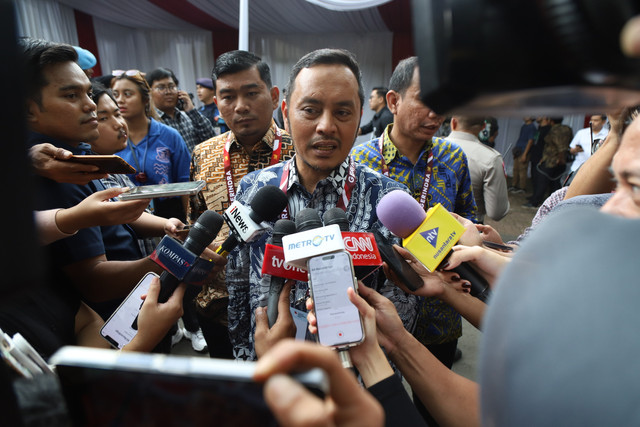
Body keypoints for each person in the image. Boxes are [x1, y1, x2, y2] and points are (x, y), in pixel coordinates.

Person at [226, 48, 413, 361]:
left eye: (342, 112)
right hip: (272, 370)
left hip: (360, 381)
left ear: (361, 114)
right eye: (310, 110)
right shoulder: (252, 189)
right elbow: (238, 288)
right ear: (285, 112)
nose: (326, 126)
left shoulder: (389, 201)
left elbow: (404, 312)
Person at [350, 56, 478, 424]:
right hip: (379, 312)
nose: (435, 114)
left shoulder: (454, 157)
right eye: (425, 100)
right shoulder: (360, 160)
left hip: (441, 310)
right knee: (382, 408)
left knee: (436, 408)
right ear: (393, 101)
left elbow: (471, 218)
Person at [189, 50, 296, 358]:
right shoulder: (203, 155)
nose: (240, 106)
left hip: (282, 309)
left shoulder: (299, 154)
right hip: (219, 305)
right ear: (216, 102)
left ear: (274, 96)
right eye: (228, 97)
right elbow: (196, 219)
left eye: (251, 93)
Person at [111, 69, 191, 221]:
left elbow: (185, 184)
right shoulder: (110, 138)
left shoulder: (169, 135)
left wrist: (189, 223)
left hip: (171, 216)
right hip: (127, 217)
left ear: (145, 99)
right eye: (115, 95)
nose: (120, 100)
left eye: (128, 94)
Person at [446, 116, 510, 222]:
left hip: (429, 228)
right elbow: (496, 213)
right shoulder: (491, 158)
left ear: (453, 122)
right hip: (470, 229)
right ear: (483, 127)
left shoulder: (431, 147)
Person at [146, 67, 216, 153]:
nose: (168, 92)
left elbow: (211, 139)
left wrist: (192, 111)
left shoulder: (189, 116)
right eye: (161, 88)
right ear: (150, 92)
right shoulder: (151, 122)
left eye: (172, 87)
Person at [524, 117, 572, 208]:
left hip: (551, 160)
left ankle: (535, 202)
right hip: (557, 161)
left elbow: (560, 146)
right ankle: (555, 204)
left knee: (542, 181)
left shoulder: (554, 130)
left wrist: (561, 158)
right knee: (555, 183)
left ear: (551, 120)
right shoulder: (567, 129)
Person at [510, 117, 537, 193]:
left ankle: (522, 188)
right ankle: (514, 185)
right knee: (515, 169)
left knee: (522, 170)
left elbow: (531, 141)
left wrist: (525, 154)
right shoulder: (524, 126)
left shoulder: (532, 127)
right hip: (518, 150)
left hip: (524, 151)